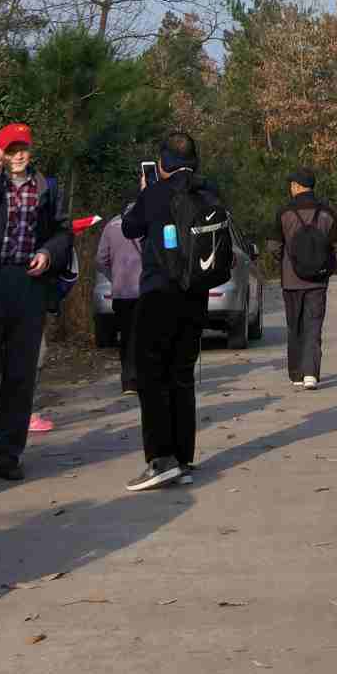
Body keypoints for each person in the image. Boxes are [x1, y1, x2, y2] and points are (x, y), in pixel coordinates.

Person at [0, 122, 73, 481]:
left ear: (30, 149)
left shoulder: (46, 187)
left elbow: (63, 231)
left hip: (29, 284)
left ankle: (8, 454)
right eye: (11, 149)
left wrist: (48, 253)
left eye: (22, 148)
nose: (18, 155)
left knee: (20, 375)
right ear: (1, 152)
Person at [120, 133, 217, 492]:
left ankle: (160, 460)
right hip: (196, 296)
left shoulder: (155, 193)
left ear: (163, 163)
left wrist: (144, 192)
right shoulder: (209, 191)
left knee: (152, 378)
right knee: (182, 376)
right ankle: (182, 459)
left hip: (159, 294)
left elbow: (130, 227)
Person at [279, 168, 337, 388]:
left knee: (294, 326)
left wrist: (285, 262)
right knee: (313, 325)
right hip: (318, 281)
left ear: (296, 186)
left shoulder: (284, 213)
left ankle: (296, 374)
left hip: (290, 281)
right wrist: (327, 268)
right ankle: (310, 374)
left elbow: (273, 246)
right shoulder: (327, 213)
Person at [95, 209, 144, 394]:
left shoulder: (111, 226)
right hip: (145, 290)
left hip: (121, 291)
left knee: (126, 335)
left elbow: (101, 260)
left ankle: (128, 381)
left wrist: (114, 277)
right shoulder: (147, 221)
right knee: (145, 335)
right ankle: (144, 378)